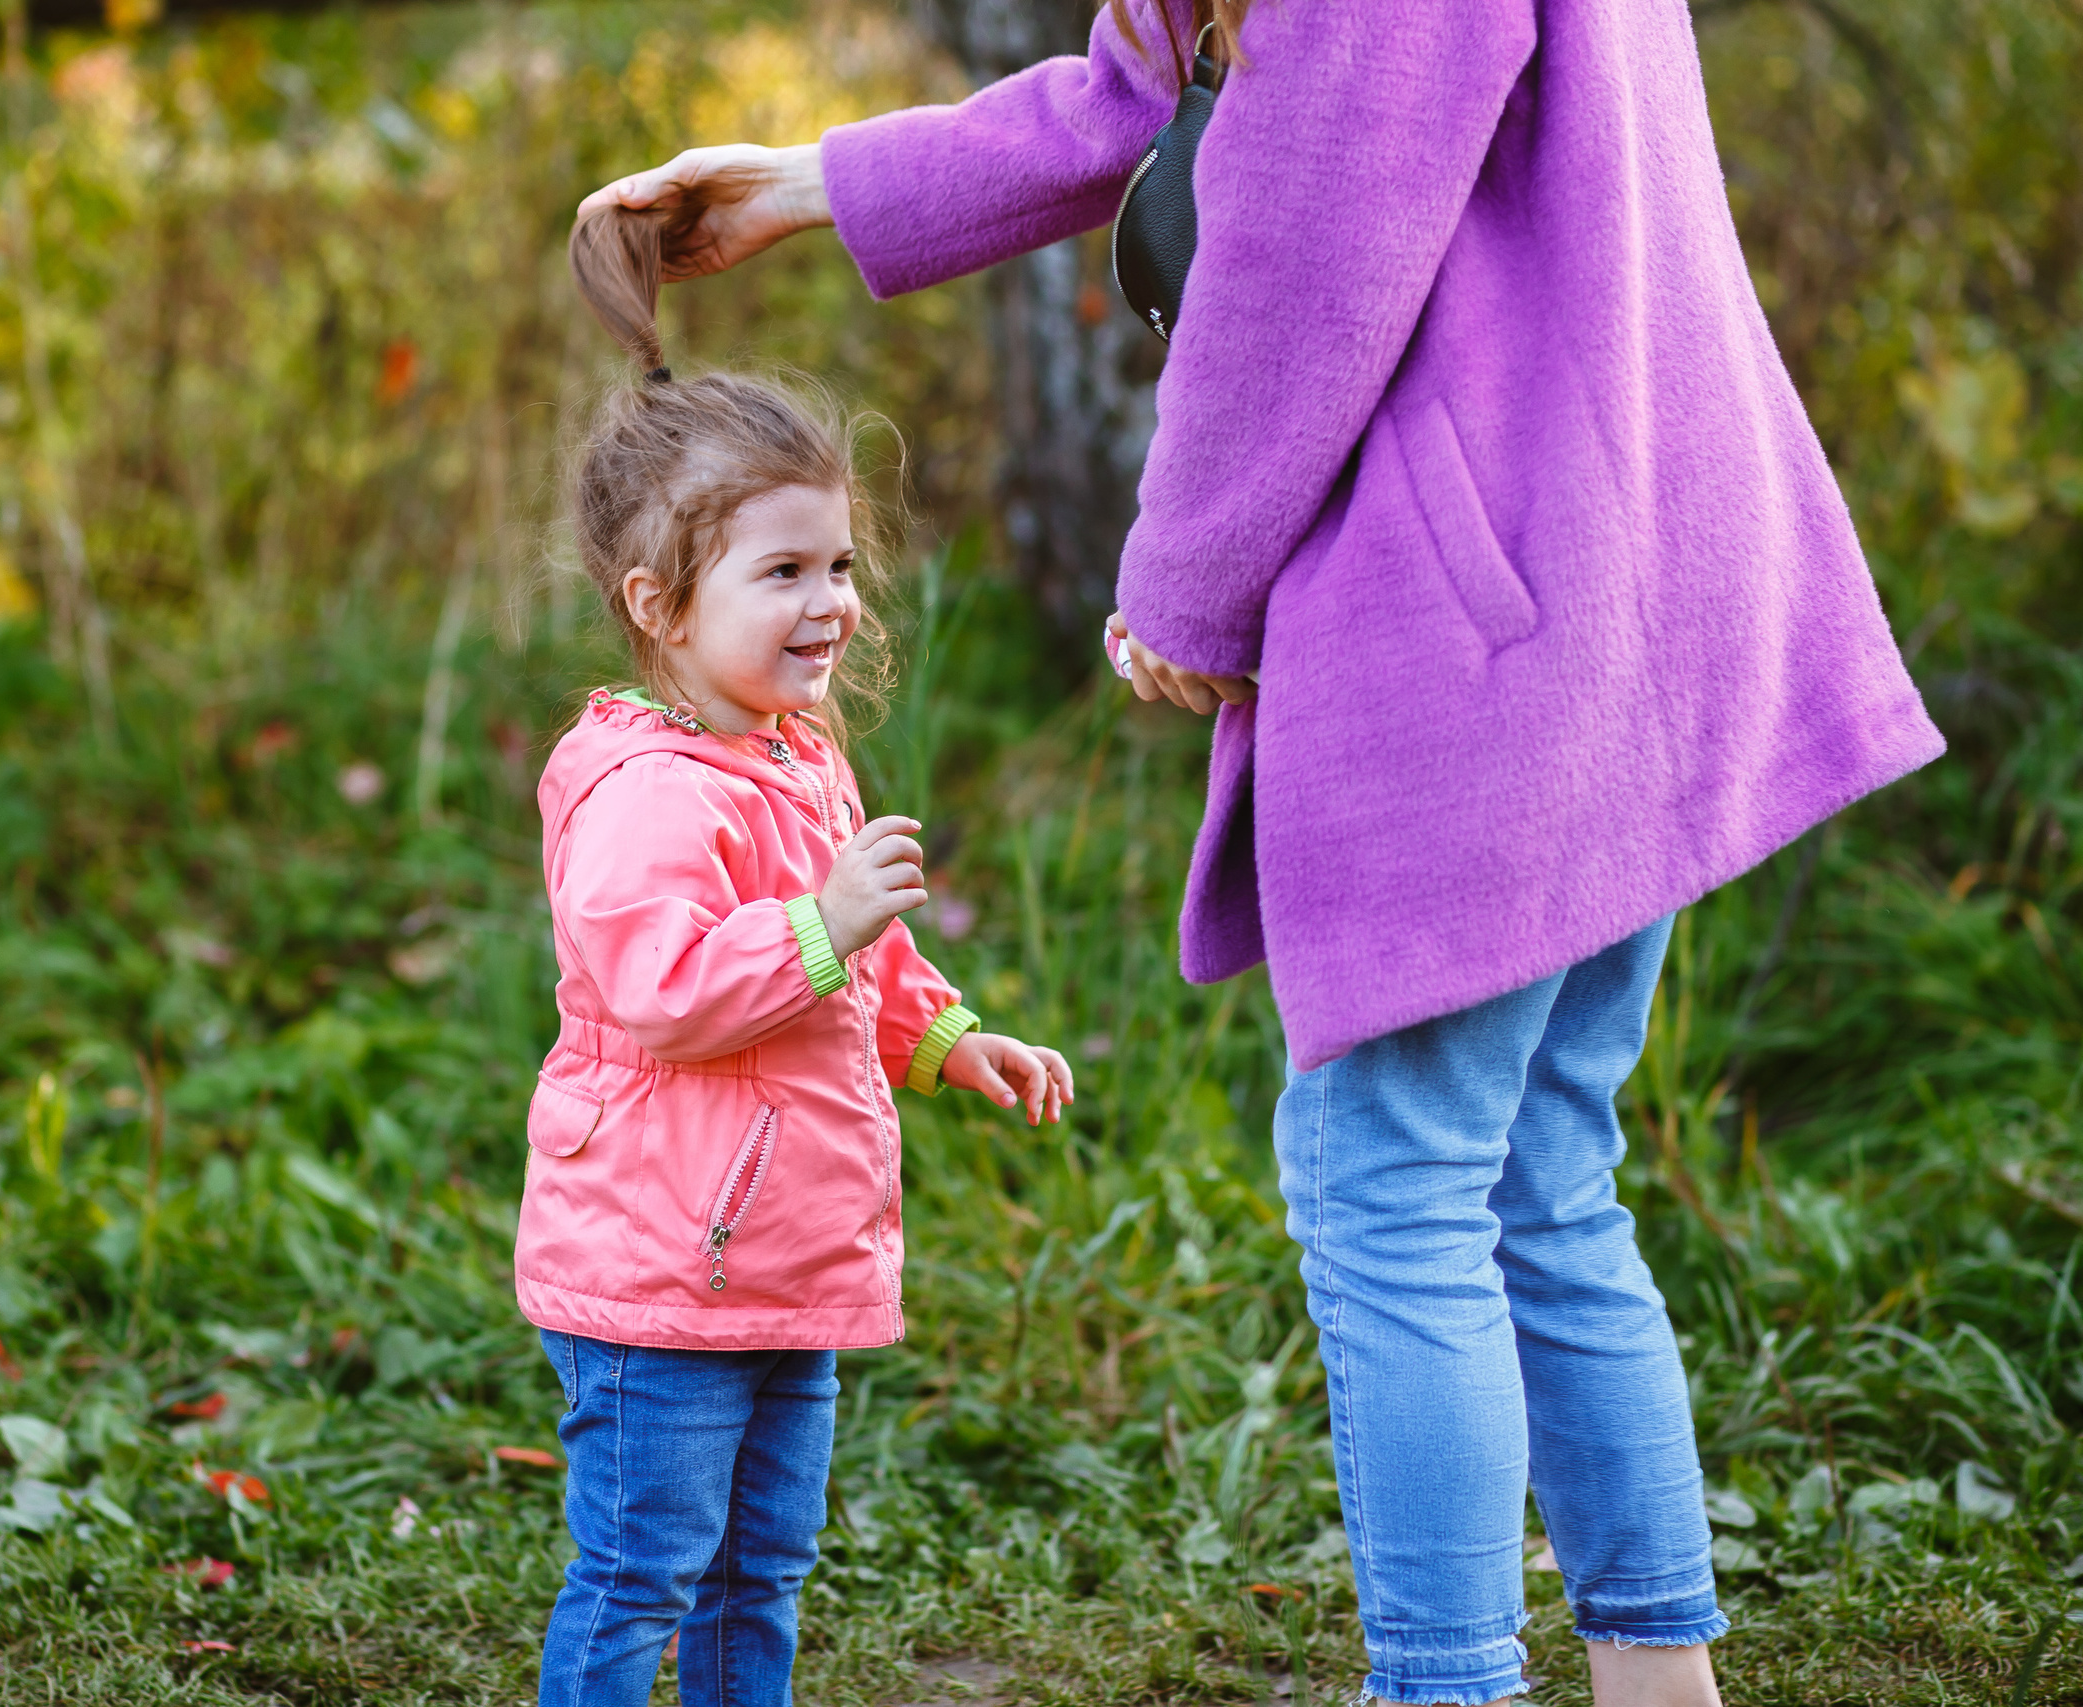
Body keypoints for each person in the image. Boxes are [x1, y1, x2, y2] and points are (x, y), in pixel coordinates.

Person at [577, 0, 1946, 1702]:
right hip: (1624, 568)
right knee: (1540, 1182)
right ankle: (1657, 1688)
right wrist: (803, 185)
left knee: (1396, 1182)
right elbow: (1142, 91)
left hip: (1506, 618)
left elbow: (1314, 238)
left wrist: (1187, 577)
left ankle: (1446, 1686)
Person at [518, 208, 1075, 1707]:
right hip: (659, 1268)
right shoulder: (644, 794)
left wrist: (952, 1038)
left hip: (784, 1260)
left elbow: (866, 973)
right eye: (782, 574)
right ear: (660, 606)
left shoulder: (796, 754)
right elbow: (666, 994)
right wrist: (821, 924)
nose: (830, 602)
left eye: (837, 564)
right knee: (645, 1571)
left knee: (761, 1573)